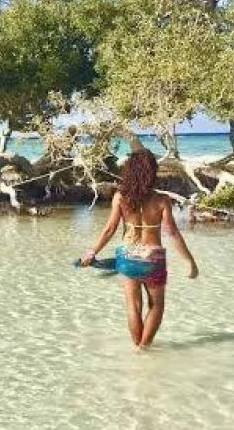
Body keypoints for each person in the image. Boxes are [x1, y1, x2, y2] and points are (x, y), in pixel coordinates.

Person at [80, 148, 199, 349]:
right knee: (157, 307)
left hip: (127, 257)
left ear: (129, 172)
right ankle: (144, 348)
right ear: (151, 173)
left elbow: (109, 229)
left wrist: (92, 252)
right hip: (152, 259)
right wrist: (190, 262)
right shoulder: (161, 200)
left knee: (133, 307)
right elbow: (173, 233)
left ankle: (138, 347)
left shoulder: (120, 197)